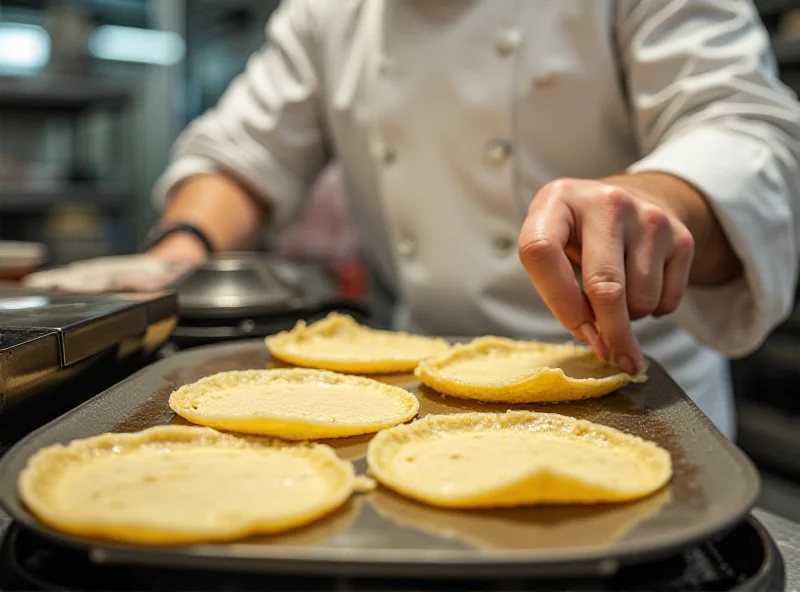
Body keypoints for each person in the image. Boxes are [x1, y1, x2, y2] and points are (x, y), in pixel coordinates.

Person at [29, 0, 800, 439]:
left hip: (628, 393)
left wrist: (655, 200)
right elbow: (242, 151)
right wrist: (177, 250)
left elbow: (742, 128)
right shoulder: (328, 12)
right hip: (415, 391)